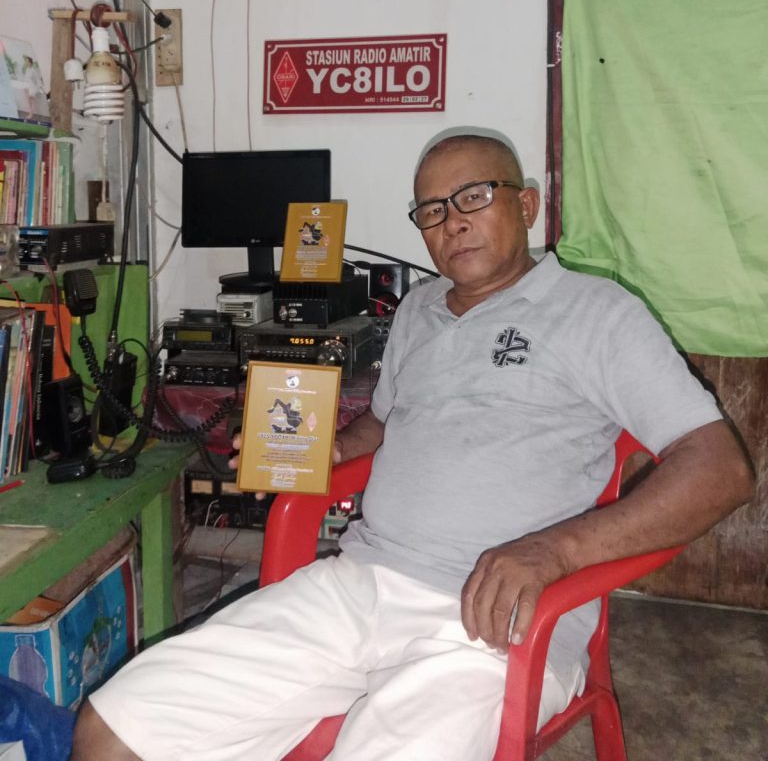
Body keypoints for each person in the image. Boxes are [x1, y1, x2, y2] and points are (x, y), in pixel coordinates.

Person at [72, 132, 754, 761]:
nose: (451, 221)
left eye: (473, 196)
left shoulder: (598, 313)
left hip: (495, 621)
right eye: (432, 210)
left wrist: (556, 552)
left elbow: (721, 469)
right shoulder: (418, 311)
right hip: (360, 585)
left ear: (526, 205)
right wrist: (324, 449)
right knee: (113, 729)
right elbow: (384, 424)